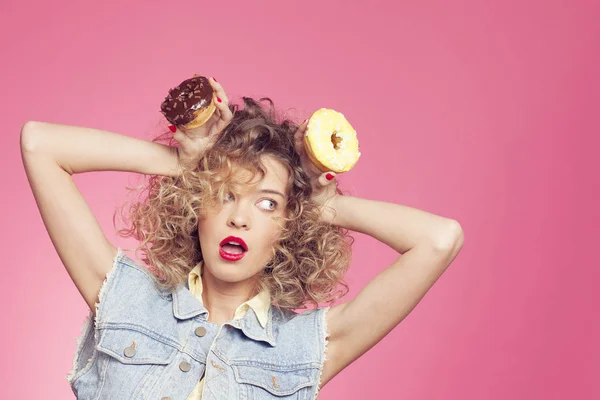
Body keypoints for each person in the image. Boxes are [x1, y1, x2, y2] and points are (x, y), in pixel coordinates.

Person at [20, 77, 464, 399]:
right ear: (197, 208)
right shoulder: (123, 297)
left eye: (266, 204)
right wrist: (187, 165)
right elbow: (40, 144)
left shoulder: (308, 347)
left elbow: (439, 239)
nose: (239, 218)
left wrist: (313, 204)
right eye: (225, 194)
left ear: (289, 227)